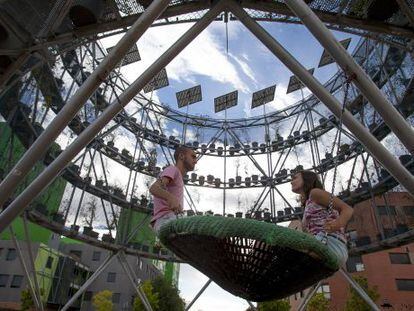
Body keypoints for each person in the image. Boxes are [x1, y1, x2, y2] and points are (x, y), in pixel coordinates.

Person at [291, 170, 353, 266]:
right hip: (320, 244)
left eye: (295, 178)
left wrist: (337, 223)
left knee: (283, 243)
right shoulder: (308, 203)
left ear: (306, 179)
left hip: (331, 244)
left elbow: (347, 209)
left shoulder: (315, 193)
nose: (291, 181)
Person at [150, 146, 197, 235]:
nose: (196, 161)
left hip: (169, 219)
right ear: (182, 156)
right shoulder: (173, 170)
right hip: (166, 218)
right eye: (193, 156)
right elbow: (154, 188)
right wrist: (171, 198)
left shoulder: (178, 176)